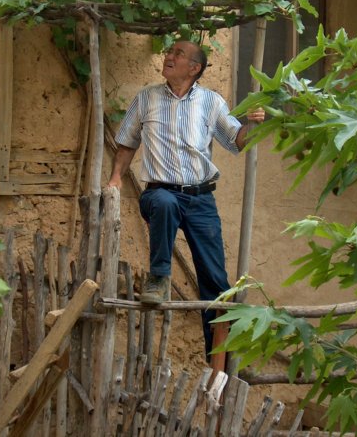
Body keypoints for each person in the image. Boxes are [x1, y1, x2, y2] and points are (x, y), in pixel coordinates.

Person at [107, 39, 264, 358]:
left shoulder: (211, 102)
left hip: (201, 199)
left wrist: (253, 123)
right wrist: (114, 180)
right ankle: (159, 277)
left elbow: (237, 142)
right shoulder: (147, 99)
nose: (169, 56)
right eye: (169, 52)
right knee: (164, 203)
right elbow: (127, 143)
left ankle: (217, 367)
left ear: (194, 68)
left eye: (177, 54)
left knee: (217, 285)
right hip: (159, 192)